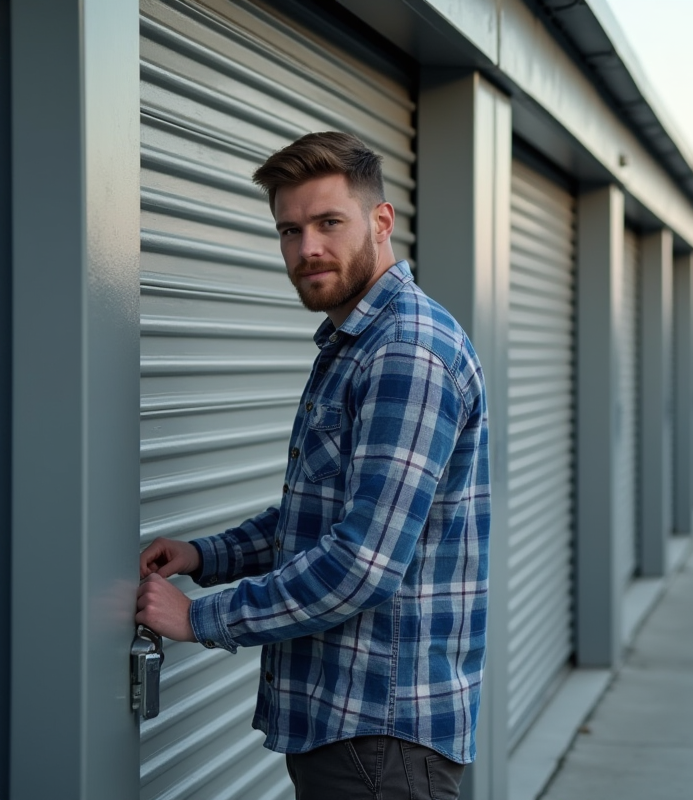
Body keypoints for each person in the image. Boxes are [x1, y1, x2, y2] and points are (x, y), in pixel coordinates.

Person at [135, 131, 489, 800]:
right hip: (354, 731)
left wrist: (200, 618)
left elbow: (361, 563)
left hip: (380, 738)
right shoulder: (357, 343)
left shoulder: (405, 353)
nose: (307, 249)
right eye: (289, 230)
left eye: (329, 223)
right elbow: (320, 516)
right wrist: (206, 555)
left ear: (380, 222)